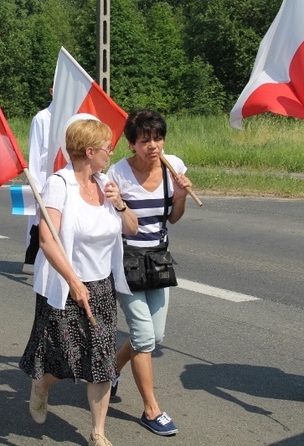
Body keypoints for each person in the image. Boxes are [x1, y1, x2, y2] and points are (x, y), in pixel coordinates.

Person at [19, 118, 138, 446]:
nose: (110, 153)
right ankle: (41, 386)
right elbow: (46, 240)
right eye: (106, 148)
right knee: (64, 358)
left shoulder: (106, 183)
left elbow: (132, 228)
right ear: (89, 151)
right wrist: (72, 280)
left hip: (101, 287)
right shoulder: (60, 184)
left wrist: (119, 203)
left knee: (101, 361)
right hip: (65, 286)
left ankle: (98, 432)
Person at [106, 109, 192, 436]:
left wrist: (181, 196)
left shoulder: (174, 167)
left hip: (158, 259)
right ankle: (151, 410)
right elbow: (114, 223)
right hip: (126, 260)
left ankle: (111, 369)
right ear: (132, 144)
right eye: (144, 140)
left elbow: (173, 219)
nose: (153, 146)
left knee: (156, 337)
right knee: (143, 338)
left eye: (157, 138)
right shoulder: (118, 174)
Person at [23, 88, 53, 274]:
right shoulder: (42, 118)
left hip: (65, 177)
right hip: (44, 177)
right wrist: (36, 186)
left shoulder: (74, 117)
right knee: (40, 221)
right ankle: (31, 259)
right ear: (51, 91)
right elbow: (34, 153)